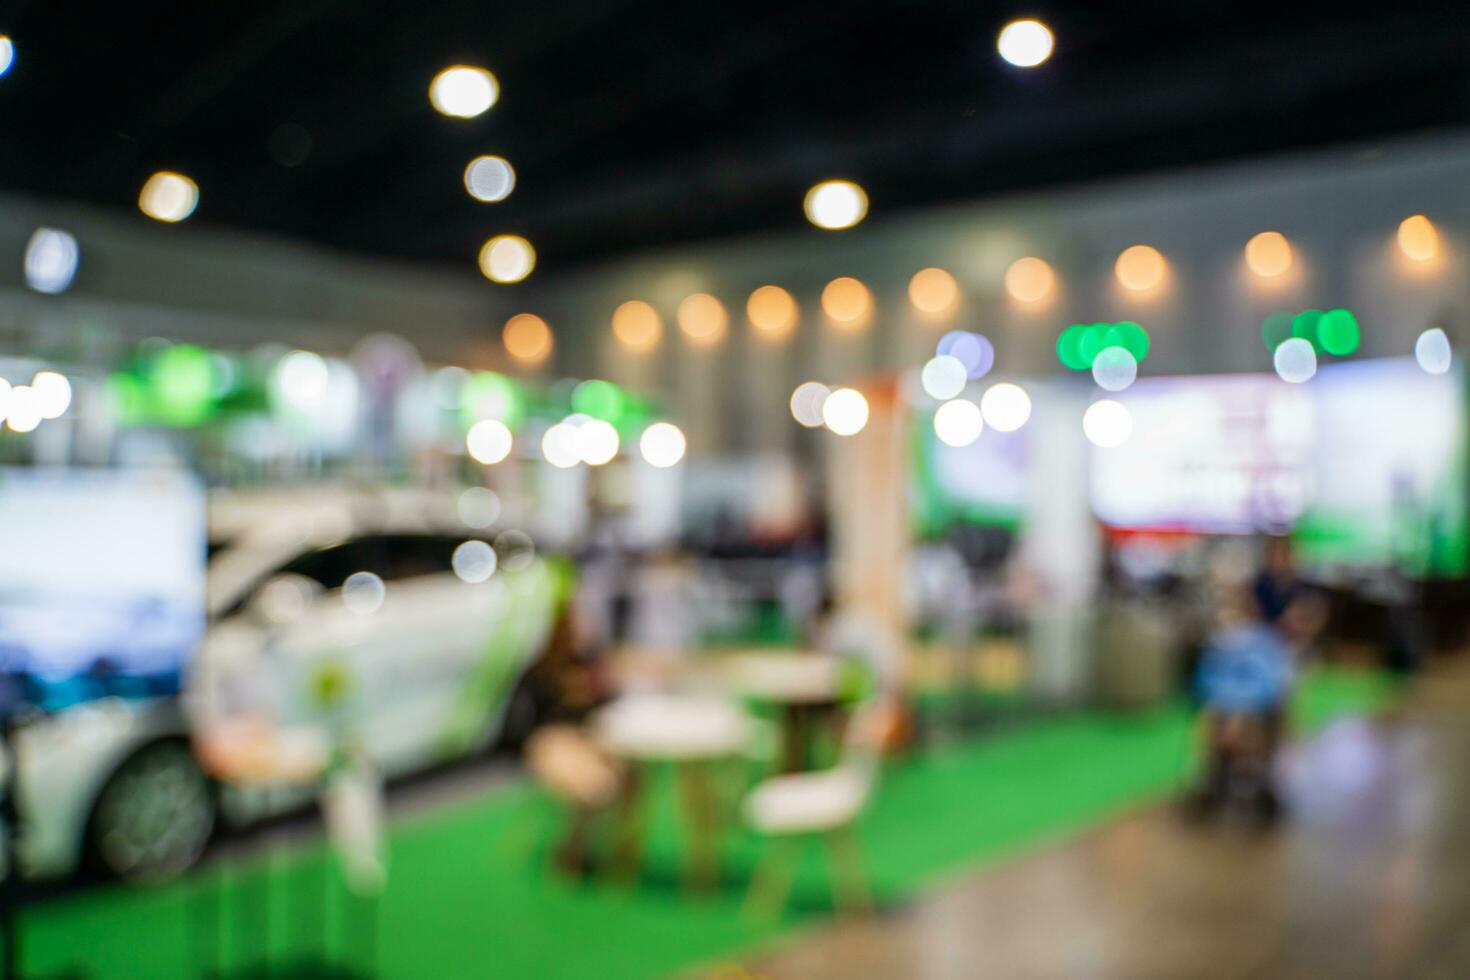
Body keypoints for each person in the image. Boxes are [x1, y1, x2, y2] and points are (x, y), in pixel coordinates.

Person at [1188, 590, 1294, 822]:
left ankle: (1244, 762)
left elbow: (1274, 680)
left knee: (1245, 722)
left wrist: (1245, 700)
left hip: (1255, 709)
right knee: (1214, 720)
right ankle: (1215, 771)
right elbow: (1204, 680)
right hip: (1226, 707)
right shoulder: (1219, 643)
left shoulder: (1268, 642)